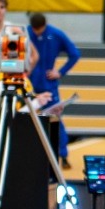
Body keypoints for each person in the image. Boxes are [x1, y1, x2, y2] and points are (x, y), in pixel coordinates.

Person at [26, 12, 81, 165]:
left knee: (55, 119)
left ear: (44, 26)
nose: (37, 33)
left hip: (48, 85)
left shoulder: (56, 34)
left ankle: (63, 154)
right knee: (24, 118)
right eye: (35, 30)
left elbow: (75, 54)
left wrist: (60, 72)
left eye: (40, 30)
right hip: (28, 85)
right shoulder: (25, 33)